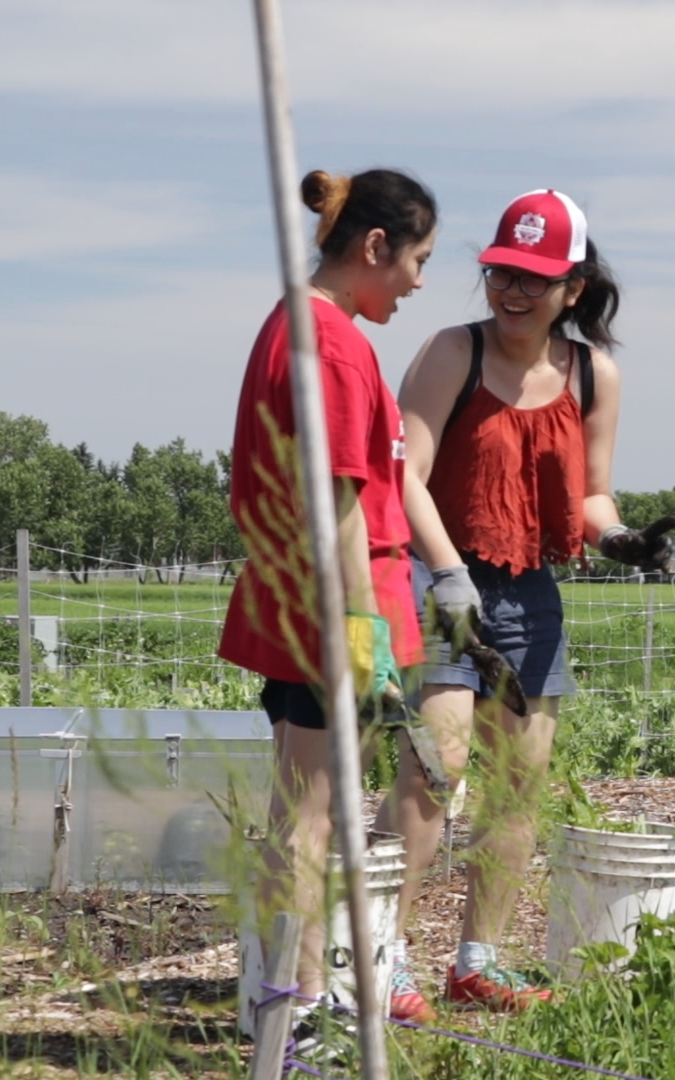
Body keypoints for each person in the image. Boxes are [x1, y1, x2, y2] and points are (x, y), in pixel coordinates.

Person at [373, 189, 673, 1017]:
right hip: (440, 578)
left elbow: (592, 498)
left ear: (572, 288)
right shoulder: (451, 353)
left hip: (528, 590)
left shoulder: (591, 373)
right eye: (504, 271)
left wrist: (620, 541)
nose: (514, 290)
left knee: (517, 782)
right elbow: (405, 475)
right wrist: (447, 574)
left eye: (535, 279)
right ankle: (384, 957)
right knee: (439, 767)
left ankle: (477, 961)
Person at [218, 169, 482, 1026]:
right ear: (374, 247)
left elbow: (364, 482)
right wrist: (359, 634)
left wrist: (434, 580)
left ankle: (277, 1009)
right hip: (326, 615)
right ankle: (289, 1020)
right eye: (418, 260)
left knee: (302, 814)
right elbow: (331, 507)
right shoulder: (329, 344)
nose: (418, 282)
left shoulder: (308, 330)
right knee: (312, 825)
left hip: (310, 609)